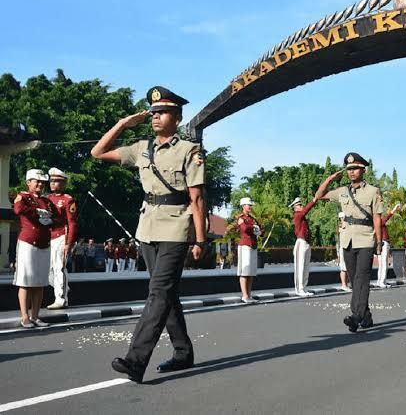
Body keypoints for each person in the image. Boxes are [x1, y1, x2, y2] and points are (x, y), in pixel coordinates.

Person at [91, 85, 206, 383]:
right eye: (153, 112)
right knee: (165, 293)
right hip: (148, 228)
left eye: (162, 112)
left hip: (177, 227)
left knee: (158, 293)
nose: (155, 117)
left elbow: (197, 199)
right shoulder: (141, 148)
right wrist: (122, 124)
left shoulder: (189, 150)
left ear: (177, 118)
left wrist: (200, 238)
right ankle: (183, 352)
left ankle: (135, 360)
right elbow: (98, 152)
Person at [316, 153, 384, 333]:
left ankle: (356, 316)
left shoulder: (373, 191)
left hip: (366, 238)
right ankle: (366, 317)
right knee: (355, 280)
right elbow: (318, 195)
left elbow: (377, 218)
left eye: (355, 169)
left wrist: (379, 240)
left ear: (363, 170)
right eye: (348, 169)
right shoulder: (342, 191)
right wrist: (331, 178)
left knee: (362, 278)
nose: (351, 172)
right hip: (347, 240)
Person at [13, 169, 54, 328]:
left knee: (40, 282)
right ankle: (25, 316)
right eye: (36, 181)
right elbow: (18, 210)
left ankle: (36, 316)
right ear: (28, 182)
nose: (40, 184)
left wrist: (48, 217)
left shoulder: (46, 200)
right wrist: (36, 212)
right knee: (25, 281)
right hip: (28, 243)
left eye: (42, 182)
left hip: (45, 243)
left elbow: (55, 217)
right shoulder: (22, 197)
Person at [46, 167, 77, 309]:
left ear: (63, 183)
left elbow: (72, 222)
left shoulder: (67, 199)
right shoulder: (46, 198)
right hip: (48, 236)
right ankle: (64, 288)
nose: (53, 183)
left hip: (61, 235)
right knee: (48, 270)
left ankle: (61, 299)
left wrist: (68, 243)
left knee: (59, 267)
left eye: (57, 181)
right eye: (51, 181)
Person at [289, 196, 318, 296]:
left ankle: (304, 288)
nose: (301, 206)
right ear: (295, 208)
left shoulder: (302, 216)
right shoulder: (297, 215)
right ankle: (299, 289)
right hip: (300, 242)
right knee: (300, 266)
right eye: (299, 205)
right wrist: (314, 200)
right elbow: (306, 210)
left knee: (305, 266)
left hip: (306, 242)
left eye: (301, 204)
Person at [234, 197, 262, 303]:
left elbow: (260, 229)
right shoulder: (241, 218)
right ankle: (244, 296)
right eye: (248, 205)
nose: (250, 207)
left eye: (250, 205)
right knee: (244, 271)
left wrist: (258, 229)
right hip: (245, 245)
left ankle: (249, 295)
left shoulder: (252, 218)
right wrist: (253, 227)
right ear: (243, 206)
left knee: (251, 273)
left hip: (253, 245)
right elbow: (244, 228)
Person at [377, 204, 401, 288]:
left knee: (381, 263)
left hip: (380, 243)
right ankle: (382, 281)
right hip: (383, 243)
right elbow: (387, 217)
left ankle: (380, 280)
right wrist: (394, 209)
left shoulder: (376, 222)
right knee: (384, 263)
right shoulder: (379, 221)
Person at [336, 212, 351, 292]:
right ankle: (344, 285)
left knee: (346, 268)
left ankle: (346, 284)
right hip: (343, 248)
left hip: (346, 248)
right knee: (343, 267)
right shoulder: (341, 227)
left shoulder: (344, 226)